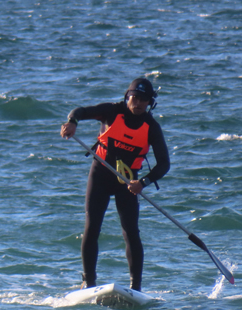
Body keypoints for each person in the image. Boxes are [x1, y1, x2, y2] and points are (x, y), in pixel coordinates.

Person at [60, 78, 170, 291]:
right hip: (100, 174)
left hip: (128, 182)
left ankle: (136, 288)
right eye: (134, 98)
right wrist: (72, 122)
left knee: (131, 232)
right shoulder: (111, 112)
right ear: (127, 97)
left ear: (149, 103)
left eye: (143, 100)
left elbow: (164, 164)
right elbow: (80, 111)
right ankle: (89, 282)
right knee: (92, 227)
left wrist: (143, 182)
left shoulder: (151, 127)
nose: (137, 103)